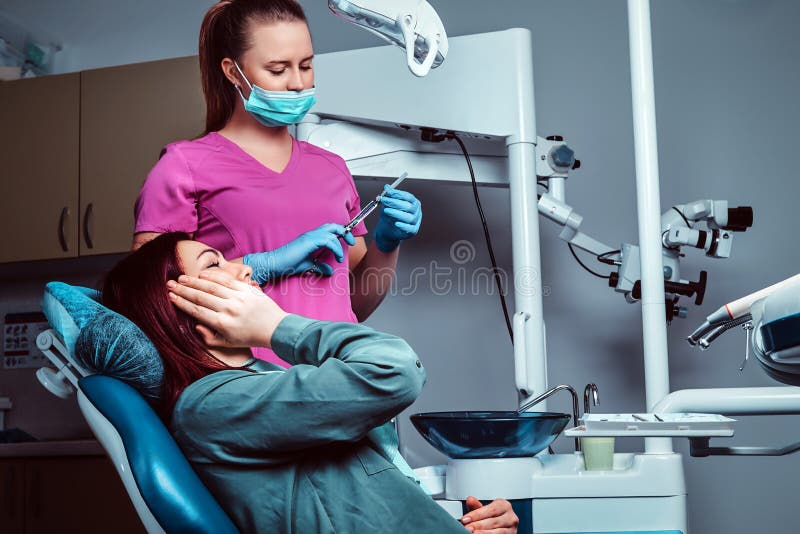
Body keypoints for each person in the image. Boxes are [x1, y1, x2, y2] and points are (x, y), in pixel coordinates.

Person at [101, 232, 518, 534]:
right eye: (214, 264)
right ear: (177, 310)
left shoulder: (261, 384)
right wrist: (276, 327)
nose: (245, 267)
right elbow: (396, 371)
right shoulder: (211, 407)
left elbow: (360, 496)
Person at [132, 0, 422, 367]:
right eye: (277, 69)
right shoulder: (183, 166)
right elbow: (151, 306)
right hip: (253, 386)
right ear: (233, 72)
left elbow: (355, 307)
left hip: (342, 380)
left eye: (306, 65)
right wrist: (263, 265)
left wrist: (386, 245)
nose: (298, 82)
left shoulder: (332, 169)